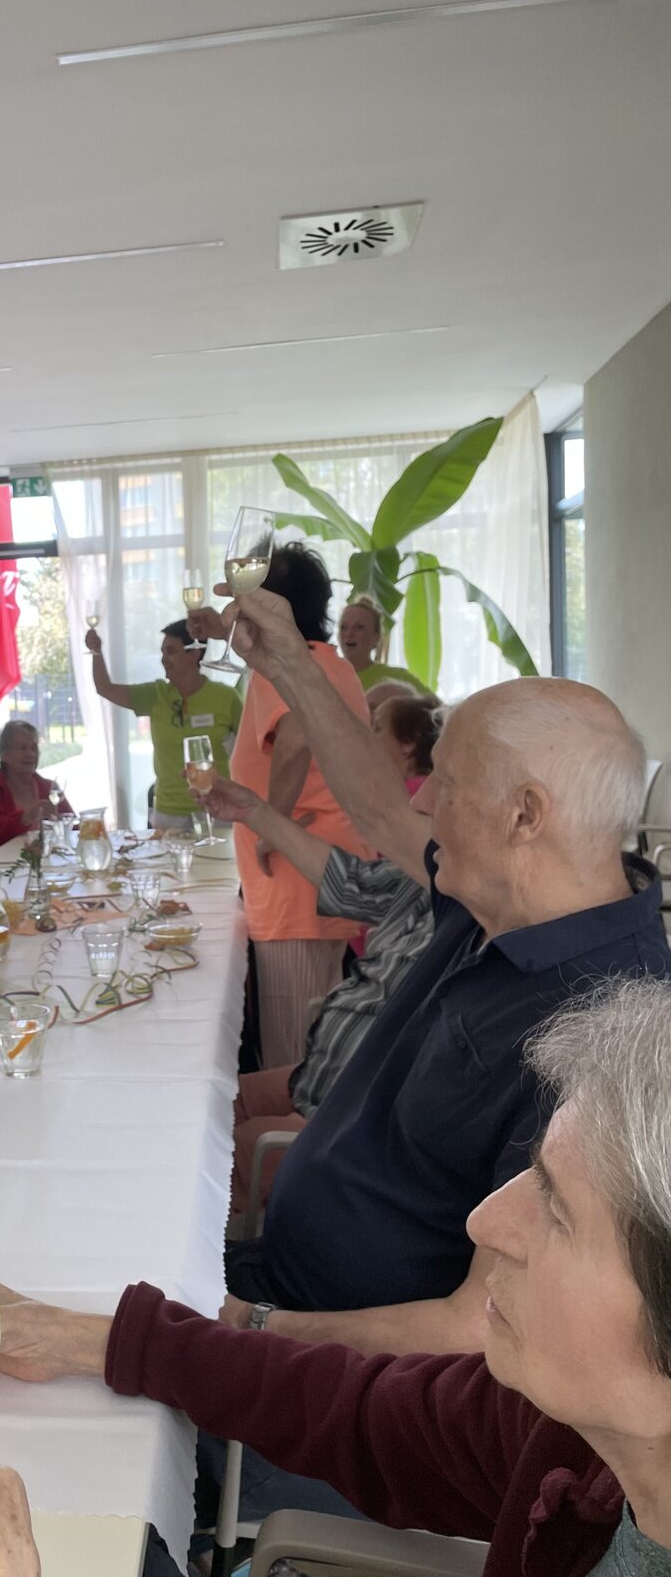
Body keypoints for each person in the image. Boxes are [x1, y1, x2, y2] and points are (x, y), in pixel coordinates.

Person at [0, 981, 671, 1577]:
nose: (486, 1223)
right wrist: (101, 1340)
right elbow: (359, 1412)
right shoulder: (572, 1430)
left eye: (557, 1211)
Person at [207, 585, 668, 1365]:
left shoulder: (613, 1030)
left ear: (525, 815)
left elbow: (476, 1328)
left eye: (446, 786)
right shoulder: (507, 899)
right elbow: (380, 810)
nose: (422, 804)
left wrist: (250, 1329)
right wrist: (287, 660)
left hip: (340, 1372)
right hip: (282, 1294)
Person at [202, 776, 434, 1220]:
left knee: (199, 1157)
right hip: (322, 1078)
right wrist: (256, 812)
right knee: (203, 1101)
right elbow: (351, 883)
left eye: (447, 781)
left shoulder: (489, 914)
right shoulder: (431, 876)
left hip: (347, 1117)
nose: (421, 795)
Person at [189, 544, 372, 1069]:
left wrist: (272, 825)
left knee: (292, 1058)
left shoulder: (288, 668)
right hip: (318, 878)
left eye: (245, 598)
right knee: (317, 1044)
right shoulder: (326, 662)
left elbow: (295, 735)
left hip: (294, 886)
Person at [85, 619, 242, 833]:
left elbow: (251, 749)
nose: (163, 660)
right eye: (162, 652)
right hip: (169, 814)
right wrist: (96, 652)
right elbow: (105, 689)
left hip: (218, 809)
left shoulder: (226, 697)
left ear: (194, 654)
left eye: (171, 652)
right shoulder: (155, 695)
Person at [0, 722, 74, 855]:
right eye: (22, 748)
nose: (31, 754)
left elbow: (71, 824)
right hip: (0, 863)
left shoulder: (48, 788)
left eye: (34, 748)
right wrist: (25, 818)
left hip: (46, 861)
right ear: (4, 755)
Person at [338, 594, 427, 693]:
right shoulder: (326, 675)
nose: (349, 633)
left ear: (377, 637)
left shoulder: (398, 677)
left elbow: (434, 702)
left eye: (359, 627)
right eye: (343, 627)